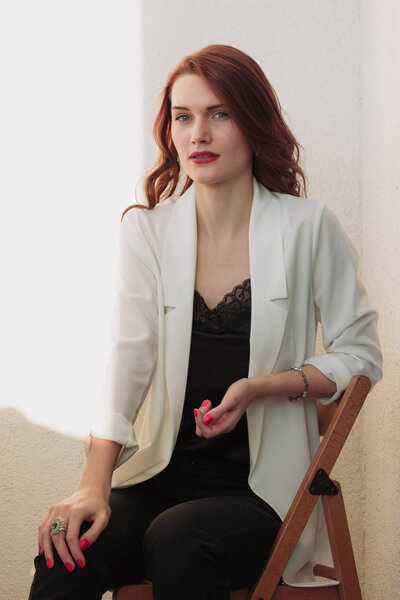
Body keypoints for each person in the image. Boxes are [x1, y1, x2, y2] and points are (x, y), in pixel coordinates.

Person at [28, 44, 382, 600]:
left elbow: (361, 354)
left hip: (261, 497)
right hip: (161, 479)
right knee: (65, 542)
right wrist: (90, 489)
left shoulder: (308, 226)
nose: (199, 134)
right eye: (183, 116)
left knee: (179, 538)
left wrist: (263, 386)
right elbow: (128, 361)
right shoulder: (147, 232)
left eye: (219, 113)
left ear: (254, 121)